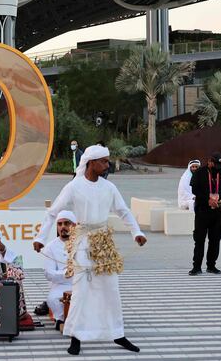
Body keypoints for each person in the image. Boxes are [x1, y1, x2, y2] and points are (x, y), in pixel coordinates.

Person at [34, 145, 146, 356]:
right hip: (83, 242)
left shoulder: (109, 188)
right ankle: (76, 337)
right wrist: (40, 237)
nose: (107, 165)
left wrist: (137, 233)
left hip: (104, 242)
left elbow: (123, 211)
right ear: (91, 163)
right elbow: (52, 213)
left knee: (111, 288)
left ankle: (117, 333)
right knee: (81, 290)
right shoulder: (74, 187)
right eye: (104, 161)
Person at [189, 153, 221, 276]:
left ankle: (211, 265)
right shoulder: (200, 173)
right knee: (199, 239)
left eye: (220, 165)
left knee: (215, 239)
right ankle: (196, 267)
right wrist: (207, 199)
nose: (218, 167)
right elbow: (194, 190)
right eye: (216, 164)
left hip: (217, 211)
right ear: (209, 162)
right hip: (202, 210)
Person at [40, 210, 76, 329]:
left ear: (74, 225)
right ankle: (61, 320)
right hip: (62, 285)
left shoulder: (83, 243)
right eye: (60, 224)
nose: (63, 227)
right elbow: (48, 273)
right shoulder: (50, 247)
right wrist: (66, 273)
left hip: (82, 283)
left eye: (66, 223)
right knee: (53, 299)